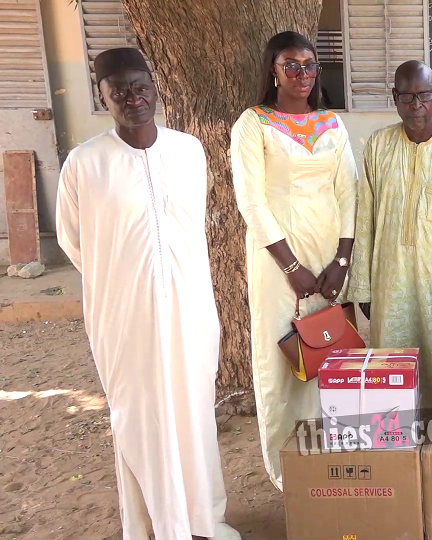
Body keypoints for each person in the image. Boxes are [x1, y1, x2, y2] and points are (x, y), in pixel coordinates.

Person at [56, 48, 240, 540]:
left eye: (141, 87)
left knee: (192, 407)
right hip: (124, 313)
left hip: (189, 307)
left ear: (155, 88)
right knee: (138, 416)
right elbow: (75, 242)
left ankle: (202, 519)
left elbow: (191, 223)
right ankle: (154, 526)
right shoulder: (84, 164)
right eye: (120, 92)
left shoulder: (188, 150)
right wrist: (125, 276)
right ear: (104, 97)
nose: (133, 99)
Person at [231, 31, 358, 490]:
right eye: (291, 65)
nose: (302, 74)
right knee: (281, 354)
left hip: (327, 252)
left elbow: (349, 191)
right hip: (276, 258)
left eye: (309, 65)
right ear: (273, 69)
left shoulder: (331, 123)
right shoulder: (253, 123)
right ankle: (289, 471)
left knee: (329, 350)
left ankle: (334, 456)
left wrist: (341, 260)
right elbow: (252, 202)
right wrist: (291, 268)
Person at [347, 61, 432, 410]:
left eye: (424, 95)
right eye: (406, 96)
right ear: (395, 98)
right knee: (392, 368)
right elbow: (365, 219)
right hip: (389, 283)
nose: (416, 105)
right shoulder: (378, 145)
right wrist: (363, 285)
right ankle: (398, 448)